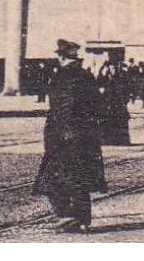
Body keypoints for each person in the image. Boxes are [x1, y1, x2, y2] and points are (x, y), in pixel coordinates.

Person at [34, 39, 106, 233]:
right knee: (79, 177)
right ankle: (82, 219)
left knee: (53, 178)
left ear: (61, 57)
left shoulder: (62, 77)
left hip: (64, 136)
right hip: (84, 135)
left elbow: (62, 108)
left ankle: (68, 216)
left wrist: (63, 132)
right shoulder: (86, 75)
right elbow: (97, 105)